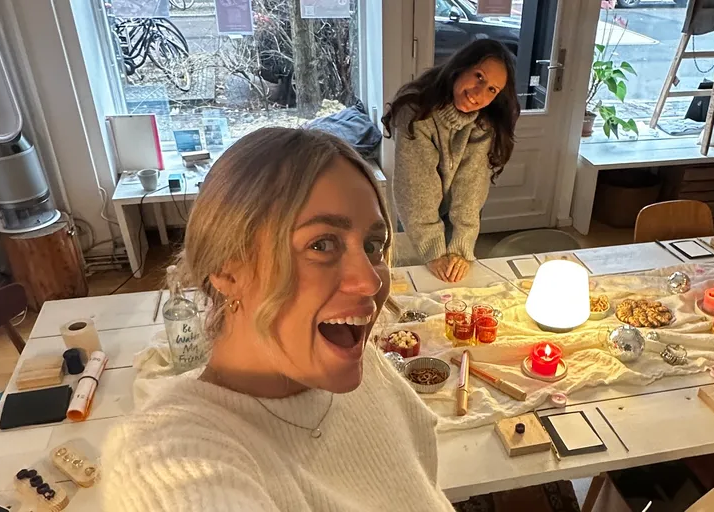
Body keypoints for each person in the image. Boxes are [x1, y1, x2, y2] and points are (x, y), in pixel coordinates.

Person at [102, 128, 454, 512]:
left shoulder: (368, 365)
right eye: (321, 244)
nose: (370, 281)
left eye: (372, 246)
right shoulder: (166, 455)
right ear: (227, 269)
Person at [382, 39, 520, 283]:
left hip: (457, 212)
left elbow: (471, 189)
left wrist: (460, 249)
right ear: (460, 67)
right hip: (417, 214)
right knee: (418, 281)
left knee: (456, 282)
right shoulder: (416, 112)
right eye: (479, 76)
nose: (479, 94)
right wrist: (433, 252)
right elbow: (416, 191)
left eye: (492, 90)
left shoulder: (484, 122)